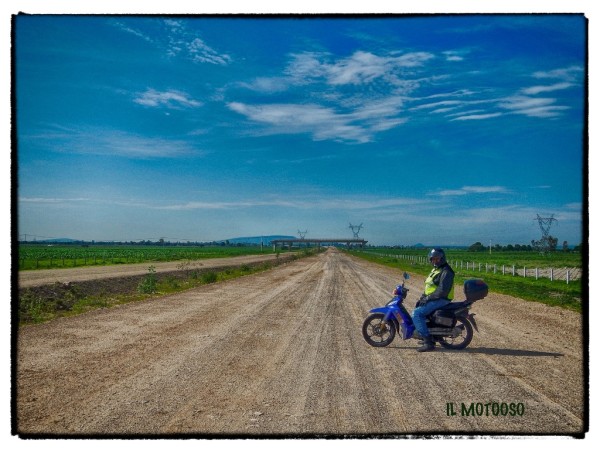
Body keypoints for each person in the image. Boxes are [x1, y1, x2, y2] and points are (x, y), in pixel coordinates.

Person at [412, 247, 455, 352]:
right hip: (434, 297)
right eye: (432, 259)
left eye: (437, 259)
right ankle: (430, 336)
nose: (434, 261)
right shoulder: (436, 269)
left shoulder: (446, 271)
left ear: (442, 258)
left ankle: (428, 343)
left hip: (442, 299)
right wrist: (423, 297)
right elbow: (430, 286)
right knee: (421, 309)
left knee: (417, 314)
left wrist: (427, 298)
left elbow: (442, 291)